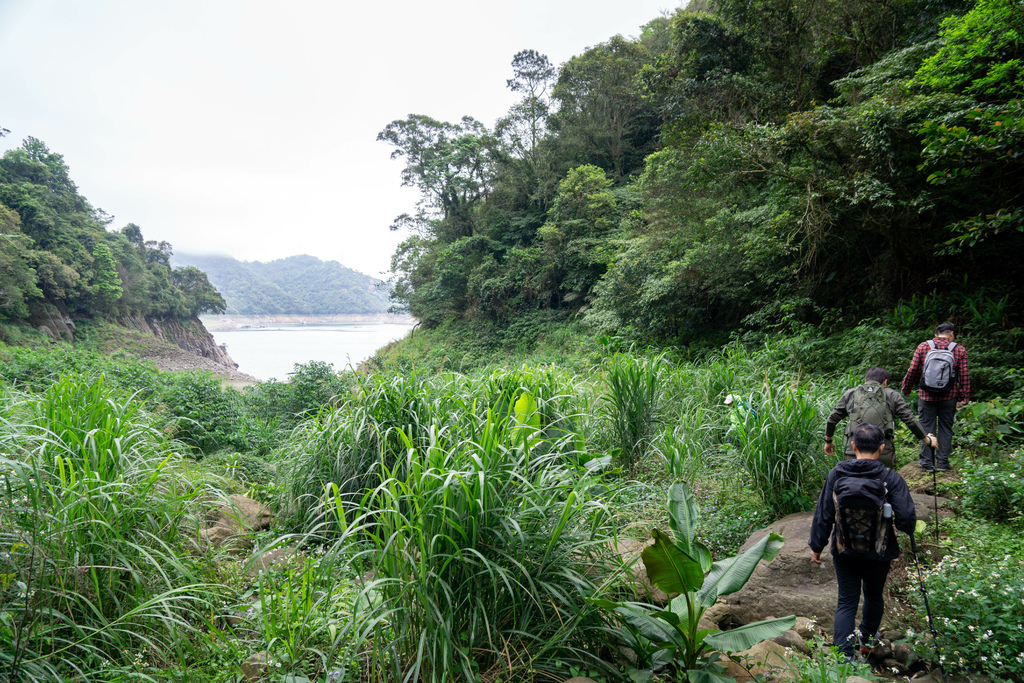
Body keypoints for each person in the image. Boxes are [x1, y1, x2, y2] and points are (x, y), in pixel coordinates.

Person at [809, 423, 916, 661]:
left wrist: (817, 546)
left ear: (853, 445)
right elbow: (907, 520)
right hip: (879, 551)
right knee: (874, 595)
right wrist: (902, 527)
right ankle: (867, 641)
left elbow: (824, 513)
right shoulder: (890, 477)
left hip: (844, 550)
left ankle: (843, 656)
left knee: (846, 601)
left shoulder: (836, 474)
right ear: (881, 447)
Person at [825, 367, 937, 468]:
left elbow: (832, 419)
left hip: (854, 452)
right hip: (882, 451)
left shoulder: (851, 394)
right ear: (885, 382)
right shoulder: (893, 395)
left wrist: (828, 441)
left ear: (865, 380)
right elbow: (910, 420)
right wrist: (927, 440)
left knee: (855, 485)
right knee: (884, 487)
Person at [901, 323, 971, 472]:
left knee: (926, 427)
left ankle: (927, 463)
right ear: (951, 334)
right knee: (946, 428)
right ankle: (942, 464)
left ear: (936, 335)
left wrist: (906, 388)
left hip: (926, 395)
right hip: (949, 396)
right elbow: (964, 376)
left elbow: (913, 370)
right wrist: (963, 397)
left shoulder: (924, 347)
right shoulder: (959, 350)